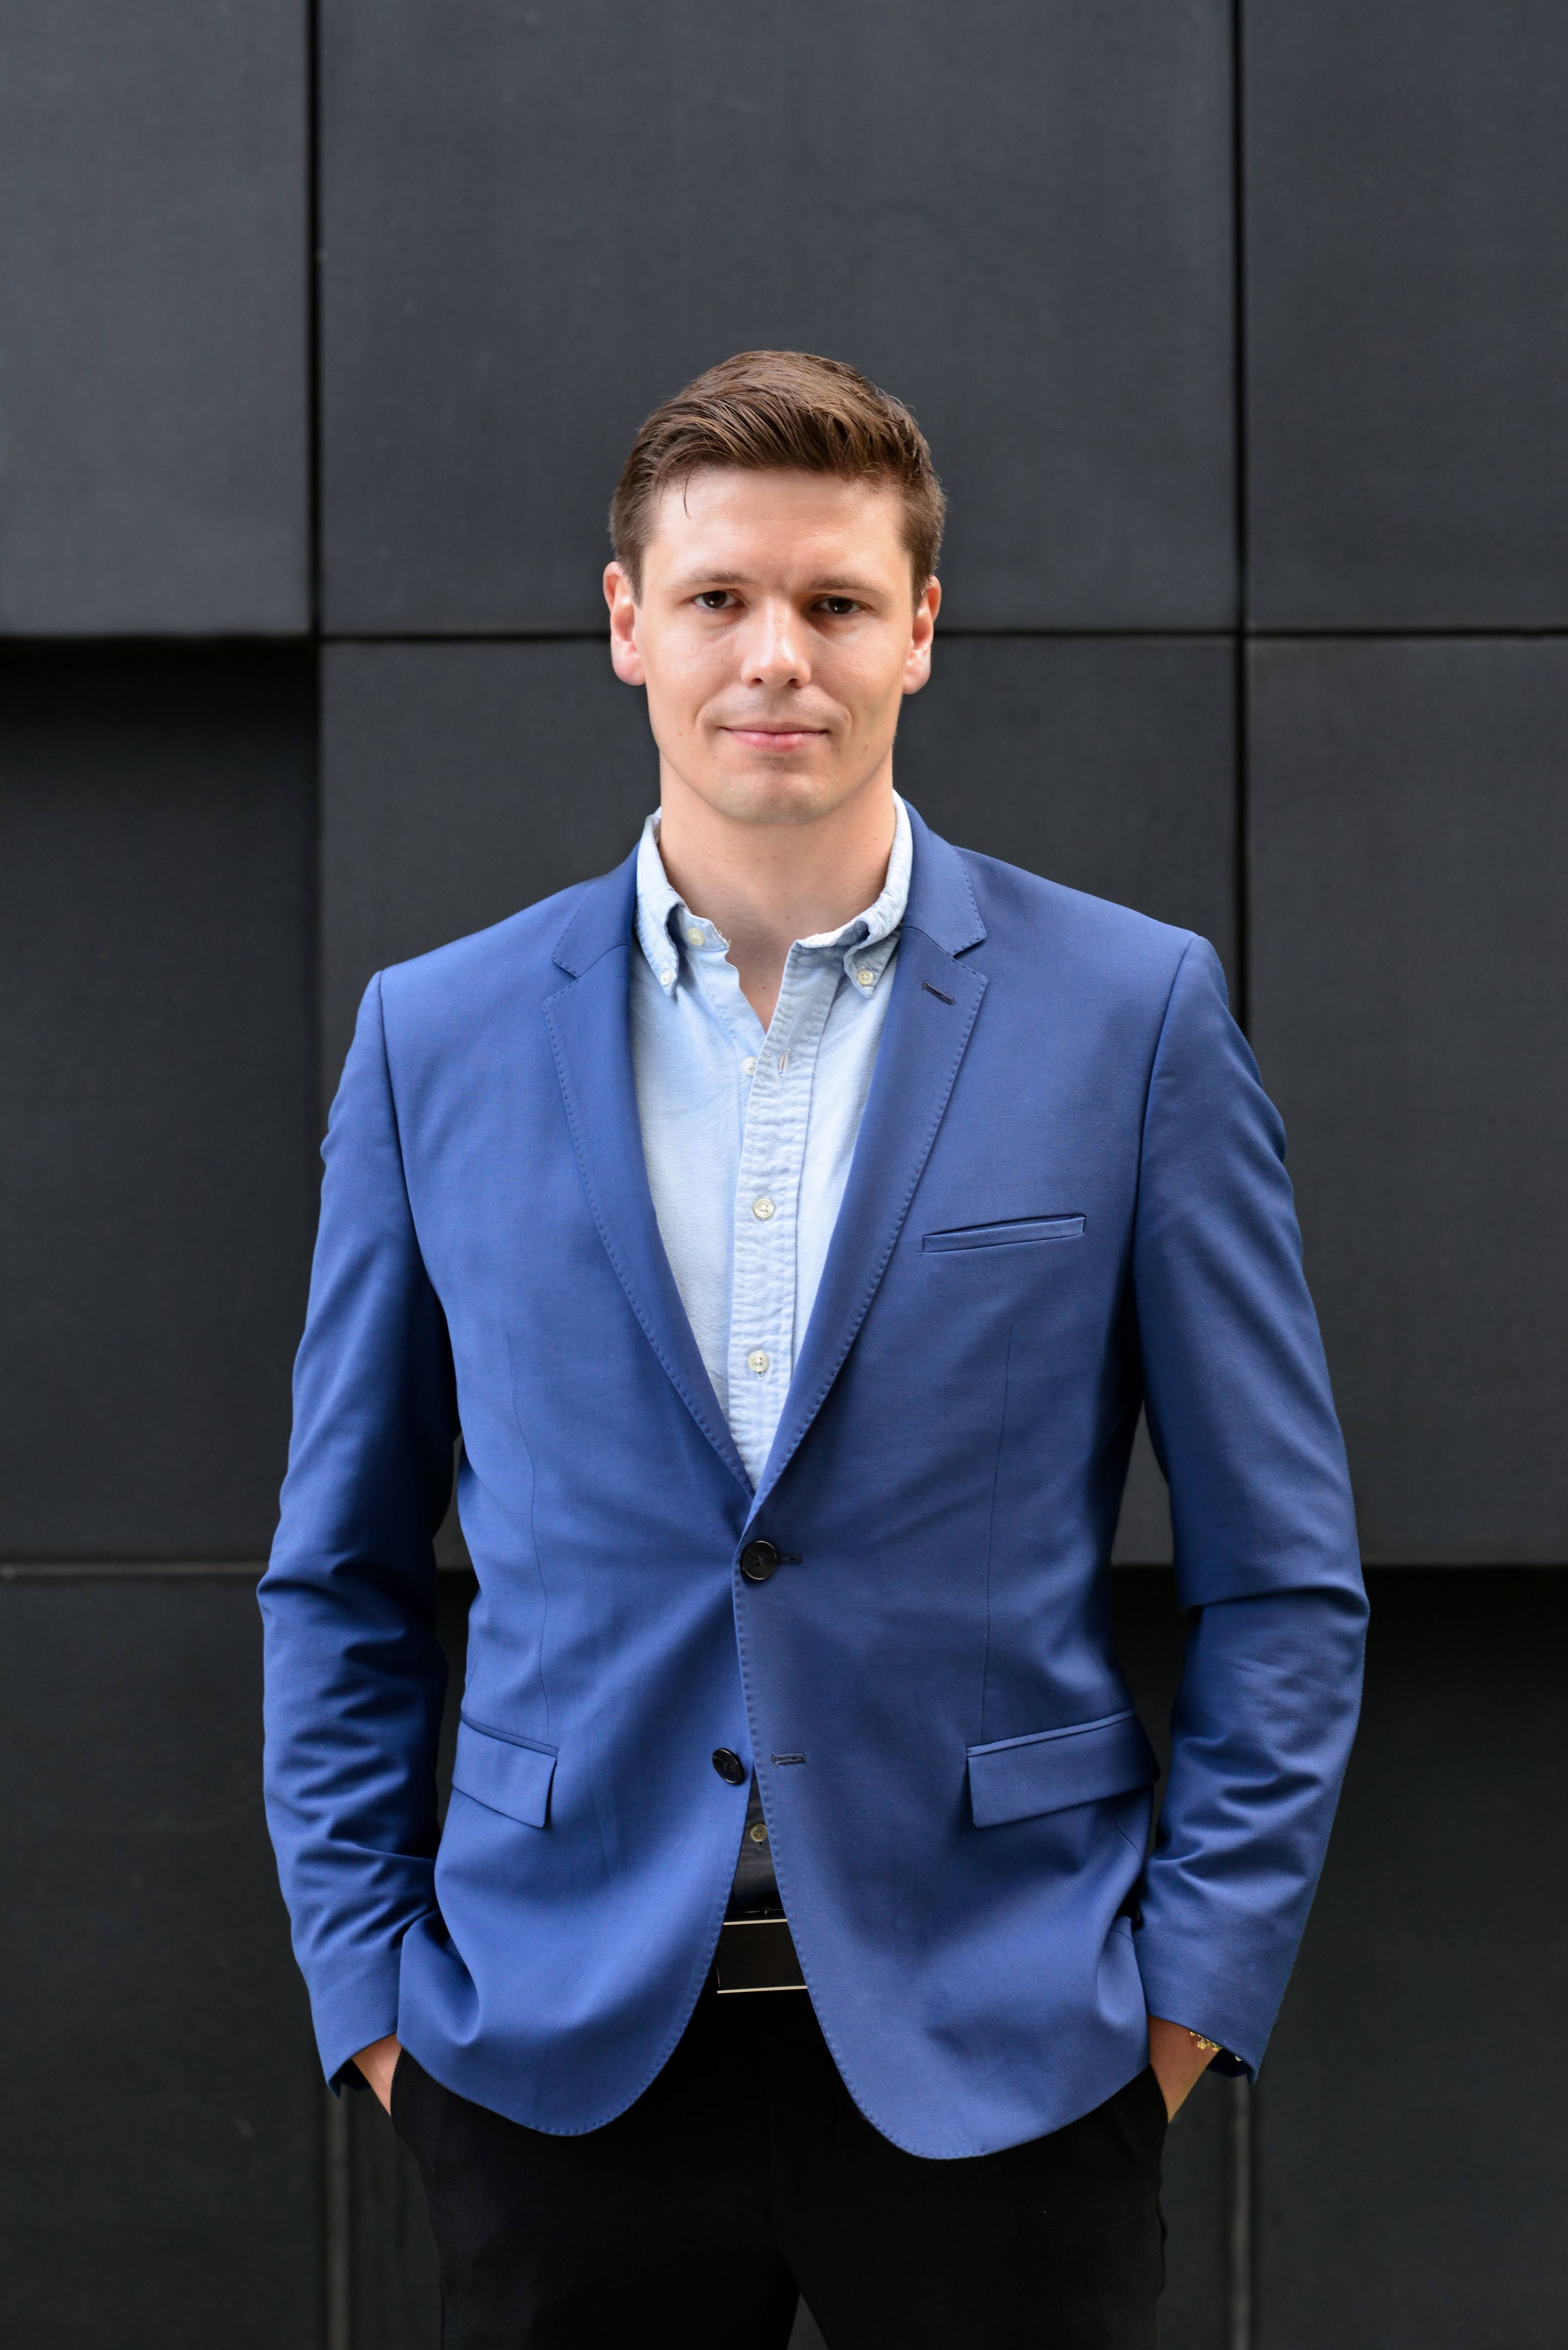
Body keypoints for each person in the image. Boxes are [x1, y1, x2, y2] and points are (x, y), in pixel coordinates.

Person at [260, 350, 1366, 2348]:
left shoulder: (1131, 1019)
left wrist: (1185, 2004)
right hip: (551, 2062)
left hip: (1009, 2054)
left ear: (919, 629)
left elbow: (1280, 1574)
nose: (776, 655)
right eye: (719, 598)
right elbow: (339, 1572)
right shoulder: (437, 1038)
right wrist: (374, 2001)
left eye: (835, 602)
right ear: (628, 623)